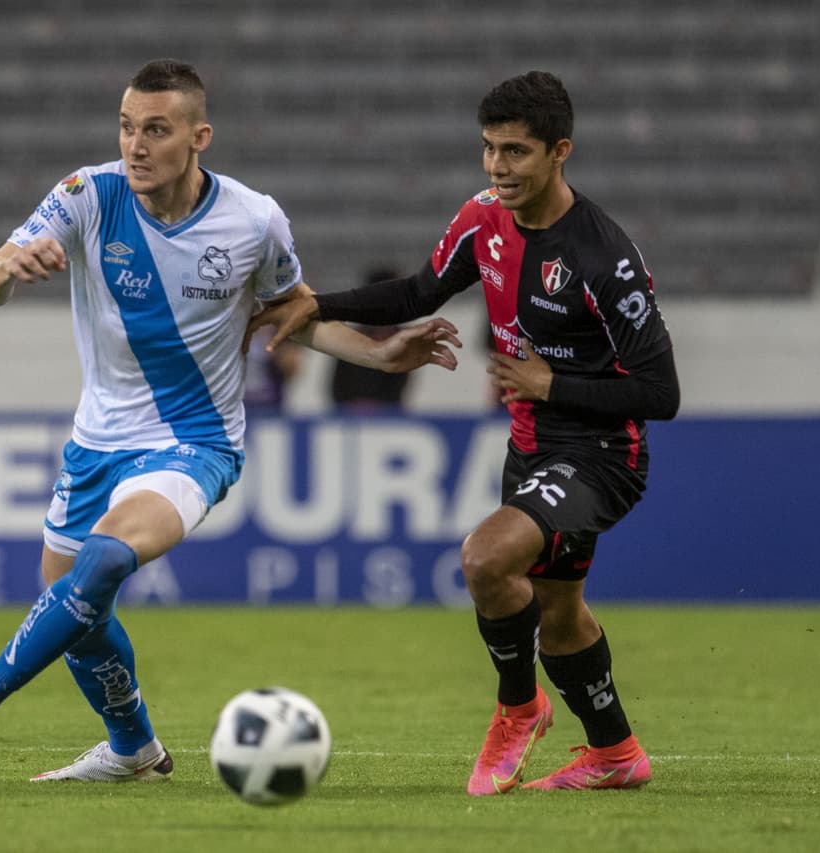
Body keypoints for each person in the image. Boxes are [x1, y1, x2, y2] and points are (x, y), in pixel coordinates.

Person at [0, 59, 460, 780]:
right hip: (95, 444)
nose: (136, 145)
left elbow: (296, 314)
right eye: (127, 128)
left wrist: (383, 356)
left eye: (157, 131)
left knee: (102, 560)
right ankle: (134, 748)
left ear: (199, 137)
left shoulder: (254, 220)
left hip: (195, 442)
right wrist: (10, 266)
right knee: (76, 614)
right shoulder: (87, 194)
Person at [251, 71, 680, 794]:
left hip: (604, 453)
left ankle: (519, 707)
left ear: (559, 152)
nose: (498, 167)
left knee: (485, 558)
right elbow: (420, 290)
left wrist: (553, 385)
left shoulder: (603, 257)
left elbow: (661, 393)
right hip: (530, 448)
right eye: (489, 149)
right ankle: (616, 753)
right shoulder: (484, 218)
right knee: (559, 614)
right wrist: (318, 304)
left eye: (515, 151)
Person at [329, 267, 411, 411]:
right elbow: (338, 387)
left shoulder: (404, 340)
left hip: (388, 420)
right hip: (351, 419)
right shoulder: (348, 339)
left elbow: (399, 386)